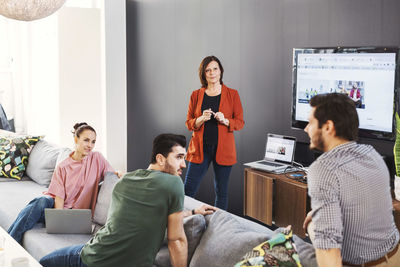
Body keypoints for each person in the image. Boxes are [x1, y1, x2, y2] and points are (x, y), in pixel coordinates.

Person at [39, 133, 217, 267]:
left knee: (41, 262)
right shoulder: (174, 183)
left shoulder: (125, 179)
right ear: (160, 159)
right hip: (95, 256)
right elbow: (176, 239)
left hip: (92, 257)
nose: (184, 165)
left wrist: (193, 212)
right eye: (179, 157)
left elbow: (155, 219)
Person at [302, 93, 400, 266]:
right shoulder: (372, 154)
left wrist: (313, 224)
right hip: (395, 256)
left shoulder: (323, 169)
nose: (306, 128)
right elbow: (360, 208)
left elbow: (328, 249)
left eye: (310, 122)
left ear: (328, 127)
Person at [8, 122, 119, 244]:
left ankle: (7, 242)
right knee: (39, 202)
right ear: (76, 139)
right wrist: (60, 222)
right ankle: (10, 243)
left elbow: (113, 174)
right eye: (86, 140)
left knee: (33, 207)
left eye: (93, 142)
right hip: (56, 207)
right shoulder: (63, 167)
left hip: (79, 215)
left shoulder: (97, 158)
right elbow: (58, 200)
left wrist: (125, 174)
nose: (90, 145)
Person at [184, 55, 244, 210]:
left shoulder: (232, 94)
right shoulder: (196, 95)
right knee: (187, 190)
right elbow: (189, 123)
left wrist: (225, 121)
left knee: (221, 192)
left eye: (215, 69)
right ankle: (182, 222)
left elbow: (240, 122)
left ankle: (219, 228)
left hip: (223, 150)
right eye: (208, 70)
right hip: (199, 149)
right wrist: (201, 119)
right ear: (203, 74)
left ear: (220, 71)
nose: (212, 73)